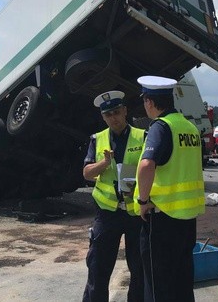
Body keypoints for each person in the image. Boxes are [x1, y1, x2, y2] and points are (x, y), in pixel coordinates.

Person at [133, 75, 205, 302]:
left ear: (150, 102)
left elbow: (147, 165)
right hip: (186, 219)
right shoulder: (190, 127)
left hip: (161, 217)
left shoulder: (161, 127)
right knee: (182, 282)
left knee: (157, 285)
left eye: (144, 100)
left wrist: (143, 201)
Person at [82, 90, 145, 302]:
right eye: (108, 115)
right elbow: (87, 173)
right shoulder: (97, 139)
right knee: (98, 267)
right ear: (103, 117)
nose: (113, 118)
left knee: (139, 268)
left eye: (117, 112)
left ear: (125, 111)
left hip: (136, 212)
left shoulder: (142, 136)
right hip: (107, 213)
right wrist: (103, 163)